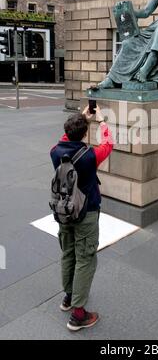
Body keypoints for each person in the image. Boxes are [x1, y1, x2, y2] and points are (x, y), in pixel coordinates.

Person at [50, 105, 113, 331]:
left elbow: (63, 140)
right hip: (87, 211)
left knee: (68, 253)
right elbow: (108, 144)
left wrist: (81, 119)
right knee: (85, 258)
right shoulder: (90, 156)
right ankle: (78, 314)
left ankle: (68, 298)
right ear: (85, 134)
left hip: (63, 212)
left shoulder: (55, 152)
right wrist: (102, 122)